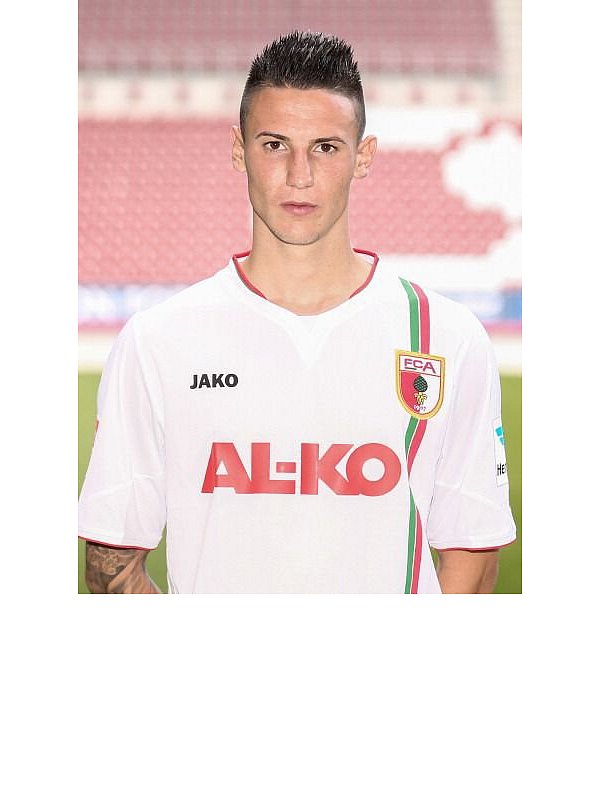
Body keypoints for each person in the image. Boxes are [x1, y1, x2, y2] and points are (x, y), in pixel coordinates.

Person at [79, 31, 516, 594]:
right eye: (274, 144)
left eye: (326, 147)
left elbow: (471, 558)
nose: (299, 175)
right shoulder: (158, 340)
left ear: (364, 157)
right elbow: (111, 562)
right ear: (239, 150)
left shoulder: (447, 339)